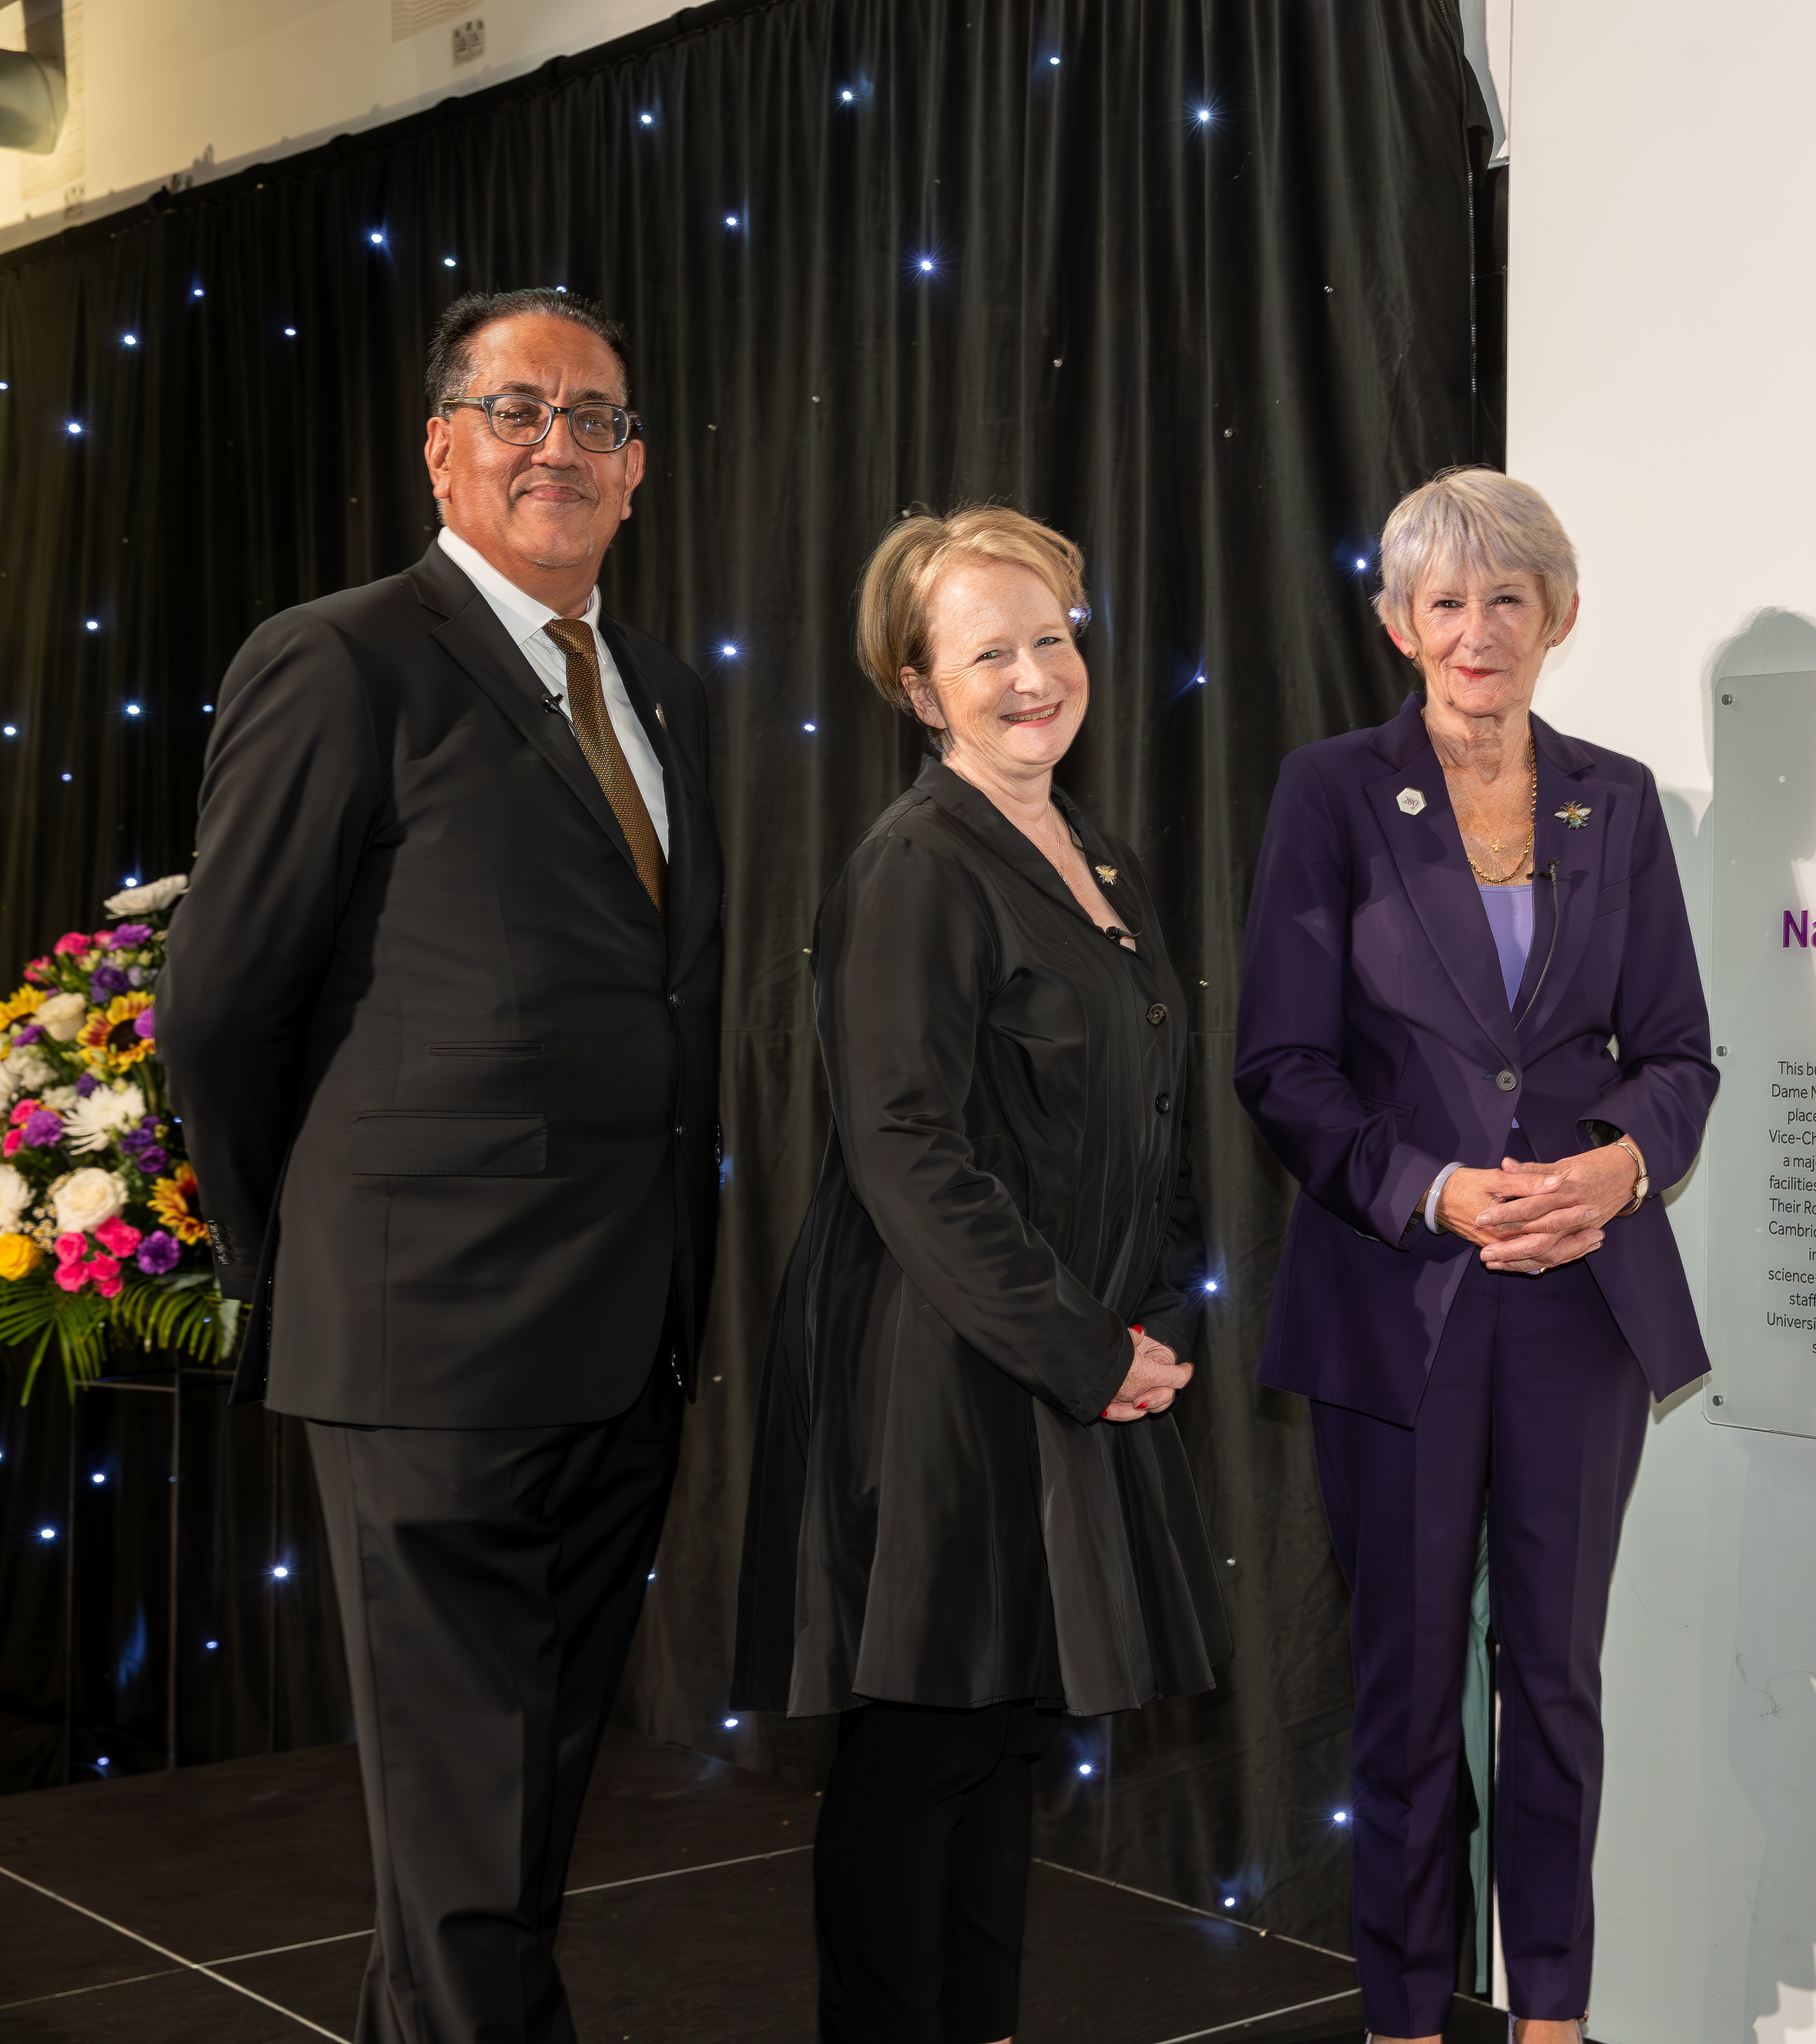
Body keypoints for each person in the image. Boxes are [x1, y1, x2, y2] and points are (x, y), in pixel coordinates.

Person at [157, 287, 722, 2042]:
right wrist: (300, 1254)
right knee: (470, 1805)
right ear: (440, 446)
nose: (558, 444)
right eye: (517, 410)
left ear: (637, 474)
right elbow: (220, 1013)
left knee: (525, 1795)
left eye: (597, 420)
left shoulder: (641, 681)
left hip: (622, 1326)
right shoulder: (342, 657)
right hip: (430, 1339)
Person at [1233, 468, 1717, 2044]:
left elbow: (1681, 1055)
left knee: (1556, 1688)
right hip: (1399, 1310)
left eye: (1509, 598)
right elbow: (1281, 1067)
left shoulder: (1619, 798)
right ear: (1397, 624)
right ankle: (1403, 2016)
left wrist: (1622, 1168)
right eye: (1445, 602)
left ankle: (1554, 2015)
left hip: (1583, 1308)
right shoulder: (1327, 792)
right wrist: (1435, 1190)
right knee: (1407, 1691)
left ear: (1559, 616)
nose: (1477, 630)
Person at [733, 507, 1229, 2044]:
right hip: (936, 1372)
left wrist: (1144, 1307)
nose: (1035, 675)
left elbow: (1145, 1106)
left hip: (1057, 1355)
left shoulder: (1095, 849)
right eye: (990, 650)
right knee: (925, 1749)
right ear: (917, 684)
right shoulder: (913, 867)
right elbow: (908, 1154)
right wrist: (1087, 1348)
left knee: (1004, 1739)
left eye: (1054, 638)